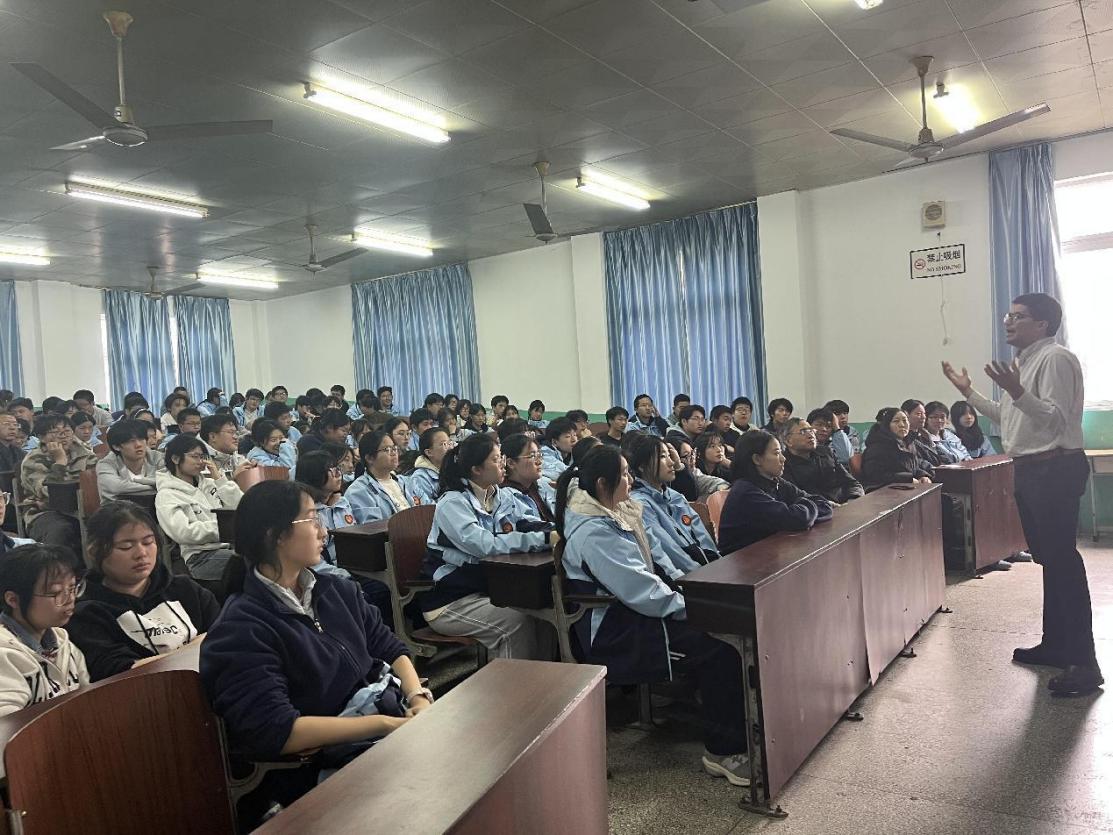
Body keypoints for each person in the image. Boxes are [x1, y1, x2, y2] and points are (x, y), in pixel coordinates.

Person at [200, 481, 425, 811]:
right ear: (275, 535)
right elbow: (278, 730)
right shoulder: (241, 628)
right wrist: (385, 725)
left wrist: (417, 697)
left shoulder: (335, 589)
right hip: (319, 767)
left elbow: (388, 645)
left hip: (383, 724)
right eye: (312, 519)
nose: (324, 532)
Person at [556, 446, 750, 785]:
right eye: (624, 474)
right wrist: (693, 609)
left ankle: (736, 725)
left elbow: (657, 565)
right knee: (719, 647)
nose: (631, 480)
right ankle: (723, 752)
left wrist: (694, 596)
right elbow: (641, 591)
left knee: (727, 631)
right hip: (617, 630)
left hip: (638, 612)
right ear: (603, 483)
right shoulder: (594, 532)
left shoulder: (621, 512)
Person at [943, 292, 1101, 695]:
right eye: (1007, 316)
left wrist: (1016, 391)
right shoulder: (1023, 363)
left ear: (1042, 324)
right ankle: (1056, 645)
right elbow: (1009, 416)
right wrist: (970, 393)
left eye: (1018, 316)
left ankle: (1085, 664)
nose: (1009, 322)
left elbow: (1055, 419)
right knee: (1050, 560)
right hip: (1031, 469)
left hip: (1054, 467)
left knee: (1063, 561)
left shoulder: (1056, 359)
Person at [419, 434, 554, 659]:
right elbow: (485, 545)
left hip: (490, 589)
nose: (503, 463)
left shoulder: (500, 495)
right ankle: (514, 682)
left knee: (545, 615)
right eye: (496, 459)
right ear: (476, 469)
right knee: (515, 623)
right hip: (451, 600)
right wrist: (544, 540)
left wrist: (557, 531)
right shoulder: (452, 503)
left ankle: (543, 678)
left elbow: (526, 522)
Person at [68, 502, 218, 681]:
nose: (141, 553)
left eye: (148, 542)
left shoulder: (185, 589)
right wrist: (197, 646)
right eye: (126, 547)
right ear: (94, 551)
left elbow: (224, 637)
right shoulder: (86, 612)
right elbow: (120, 672)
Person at [0, 544, 89, 715]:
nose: (70, 599)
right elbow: (7, 725)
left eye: (72, 588)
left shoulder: (62, 641)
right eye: (56, 593)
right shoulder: (5, 654)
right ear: (13, 600)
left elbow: (87, 699)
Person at [718, 430, 833, 553]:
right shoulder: (746, 492)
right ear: (757, 459)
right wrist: (804, 507)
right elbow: (797, 520)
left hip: (768, 553)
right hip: (742, 561)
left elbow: (823, 504)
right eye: (777, 453)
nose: (783, 459)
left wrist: (803, 509)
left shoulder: (775, 481)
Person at [155, 435, 244, 582]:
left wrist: (220, 480)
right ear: (175, 459)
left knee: (266, 554)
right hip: (200, 557)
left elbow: (241, 507)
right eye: (195, 456)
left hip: (229, 547)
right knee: (253, 562)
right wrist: (224, 528)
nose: (201, 461)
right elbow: (183, 532)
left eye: (203, 457)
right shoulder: (167, 495)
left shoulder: (209, 484)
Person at [627, 434, 719, 569]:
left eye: (669, 455)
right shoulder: (640, 504)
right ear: (642, 466)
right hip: (689, 576)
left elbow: (702, 536)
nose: (671, 463)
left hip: (708, 569)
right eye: (662, 457)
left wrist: (717, 563)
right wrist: (703, 574)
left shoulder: (675, 496)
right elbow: (670, 551)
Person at [19, 414, 96, 560]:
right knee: (61, 530)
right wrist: (60, 461)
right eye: (55, 432)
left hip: (83, 507)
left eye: (67, 431)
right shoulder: (33, 460)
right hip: (44, 512)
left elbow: (95, 483)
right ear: (41, 437)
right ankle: (56, 569)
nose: (63, 436)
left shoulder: (84, 453)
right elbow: (49, 493)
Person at [780, 417, 863, 504]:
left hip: (845, 503)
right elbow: (794, 497)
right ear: (788, 441)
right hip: (815, 509)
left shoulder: (826, 452)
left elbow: (851, 483)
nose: (811, 435)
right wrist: (827, 505)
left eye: (811, 430)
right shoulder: (783, 464)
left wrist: (853, 499)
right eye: (803, 432)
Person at [345, 431, 413, 524]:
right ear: (369, 458)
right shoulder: (358, 491)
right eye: (387, 449)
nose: (394, 453)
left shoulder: (407, 481)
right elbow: (373, 527)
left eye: (394, 448)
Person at [860, 408, 934, 492]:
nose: (902, 425)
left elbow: (913, 467)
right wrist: (908, 479)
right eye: (896, 421)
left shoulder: (909, 443)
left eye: (905, 420)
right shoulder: (878, 446)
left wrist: (922, 476)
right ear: (886, 425)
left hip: (907, 488)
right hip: (884, 491)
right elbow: (875, 475)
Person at [96, 420, 159, 502]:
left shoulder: (157, 457)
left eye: (141, 439)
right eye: (131, 441)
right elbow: (116, 488)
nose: (138, 445)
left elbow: (171, 482)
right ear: (116, 446)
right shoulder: (106, 464)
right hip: (119, 508)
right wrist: (157, 486)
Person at [502, 432, 556, 523]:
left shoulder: (542, 484)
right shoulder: (505, 496)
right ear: (511, 463)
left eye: (539, 455)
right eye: (532, 456)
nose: (539, 462)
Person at [405, 427, 452, 506]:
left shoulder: (453, 468)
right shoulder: (420, 478)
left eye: (449, 443)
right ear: (429, 452)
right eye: (444, 444)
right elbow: (427, 509)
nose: (450, 448)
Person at [540, 416, 577, 482]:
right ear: (554, 442)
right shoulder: (544, 454)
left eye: (575, 435)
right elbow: (563, 473)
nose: (574, 440)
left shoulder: (571, 454)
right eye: (568, 436)